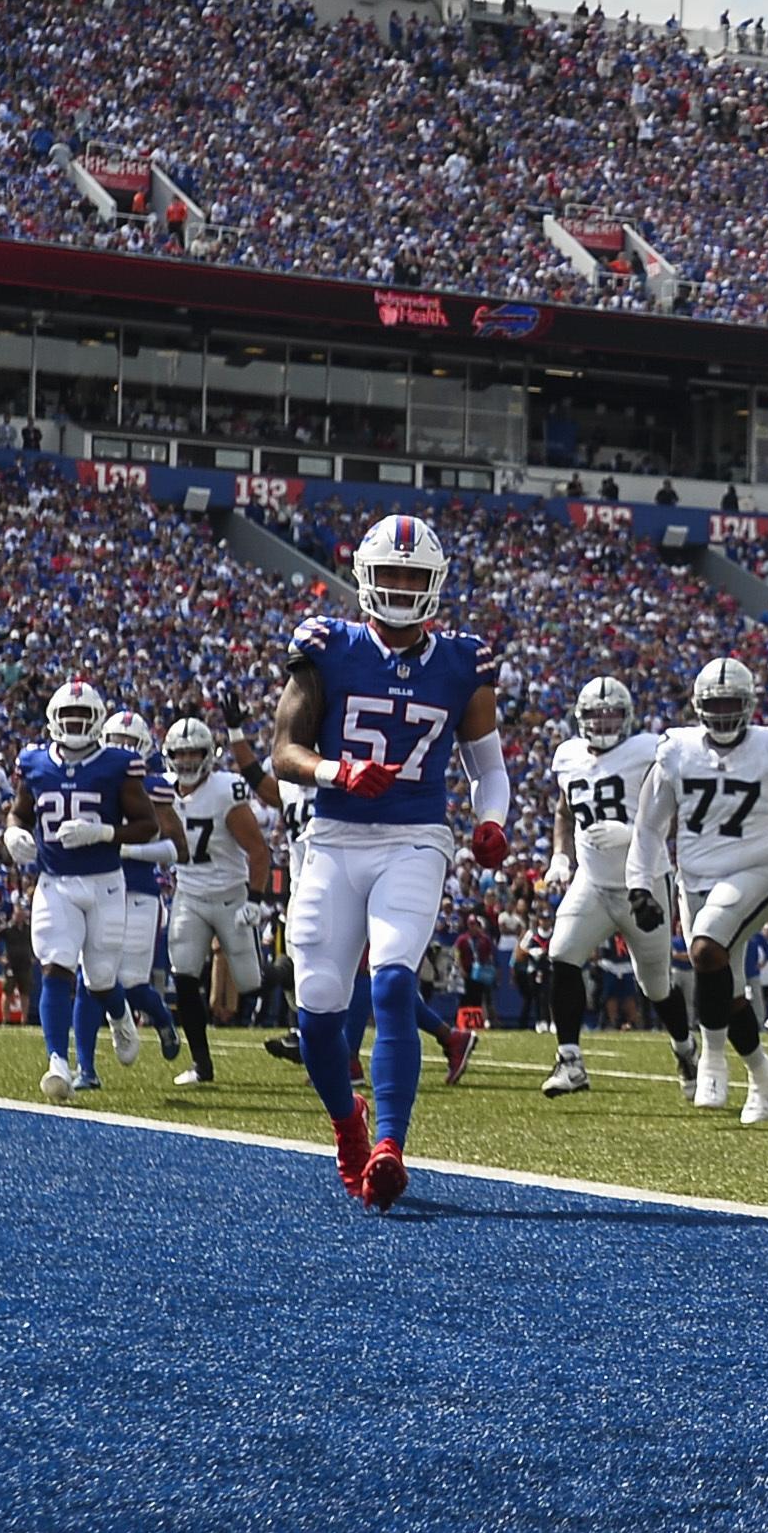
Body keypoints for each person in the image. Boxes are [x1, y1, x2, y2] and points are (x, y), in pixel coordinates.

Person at [265, 515, 505, 1209]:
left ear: (434, 585)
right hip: (334, 837)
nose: (400, 587)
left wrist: (491, 823)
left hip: (414, 837)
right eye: (390, 574)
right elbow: (285, 749)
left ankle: (391, 1145)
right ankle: (349, 1127)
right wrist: (338, 770)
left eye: (413, 576)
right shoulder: (328, 646)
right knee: (316, 1012)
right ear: (367, 577)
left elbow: (488, 768)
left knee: (395, 981)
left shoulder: (463, 660)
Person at [640, 657, 768, 1125]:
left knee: (704, 949)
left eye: (732, 703)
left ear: (749, 705)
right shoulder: (676, 750)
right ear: (698, 706)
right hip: (695, 878)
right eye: (715, 704)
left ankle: (712, 1061)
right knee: (728, 988)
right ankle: (763, 1073)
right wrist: (639, 885)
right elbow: (648, 827)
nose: (724, 713)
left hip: (757, 872)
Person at [2, 680, 166, 1103]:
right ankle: (58, 1062)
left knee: (100, 979)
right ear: (54, 720)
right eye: (67, 717)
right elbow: (19, 811)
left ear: (95, 721)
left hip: (107, 884)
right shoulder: (34, 762)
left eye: (82, 717)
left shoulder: (117, 763)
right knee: (55, 965)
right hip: (55, 883)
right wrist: (13, 834)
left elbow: (149, 825)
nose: (74, 724)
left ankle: (119, 1013)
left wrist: (103, 831)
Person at [538, 676, 666, 1099]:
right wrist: (560, 856)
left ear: (627, 717)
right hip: (592, 880)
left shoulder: (648, 751)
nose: (605, 722)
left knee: (656, 985)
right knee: (562, 953)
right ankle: (570, 1060)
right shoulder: (568, 756)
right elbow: (562, 811)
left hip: (642, 880)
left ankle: (685, 1048)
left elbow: (675, 811)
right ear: (581, 718)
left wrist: (632, 833)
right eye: (596, 714)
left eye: (612, 714)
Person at [160, 715, 276, 1087]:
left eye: (195, 753)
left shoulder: (226, 789)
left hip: (230, 895)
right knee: (184, 975)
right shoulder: (160, 789)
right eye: (181, 754)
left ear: (210, 754)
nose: (188, 761)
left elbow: (259, 851)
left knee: (250, 984)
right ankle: (201, 1064)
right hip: (189, 894)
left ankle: (290, 976)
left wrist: (255, 899)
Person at [99, 709, 180, 1068]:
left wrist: (127, 847)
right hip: (99, 885)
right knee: (96, 977)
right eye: (117, 740)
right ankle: (87, 1064)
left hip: (140, 890)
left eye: (130, 743)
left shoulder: (155, 785)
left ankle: (162, 1020)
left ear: (144, 747)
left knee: (132, 983)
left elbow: (174, 846)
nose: (122, 748)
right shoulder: (93, 780)